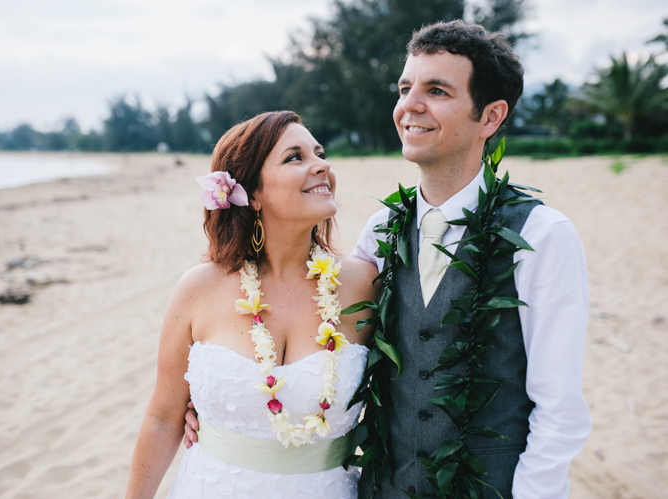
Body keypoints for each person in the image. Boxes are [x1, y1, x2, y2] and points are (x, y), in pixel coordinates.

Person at [185, 20, 591, 499]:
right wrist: (220, 404)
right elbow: (327, 333)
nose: (410, 106)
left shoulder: (542, 237)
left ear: (491, 117)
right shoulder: (381, 231)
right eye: (405, 87)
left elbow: (560, 413)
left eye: (436, 90)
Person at [123, 110, 378, 499]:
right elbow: (162, 417)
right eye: (296, 157)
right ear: (253, 194)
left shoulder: (365, 284)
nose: (321, 165)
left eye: (319, 153)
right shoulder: (199, 288)